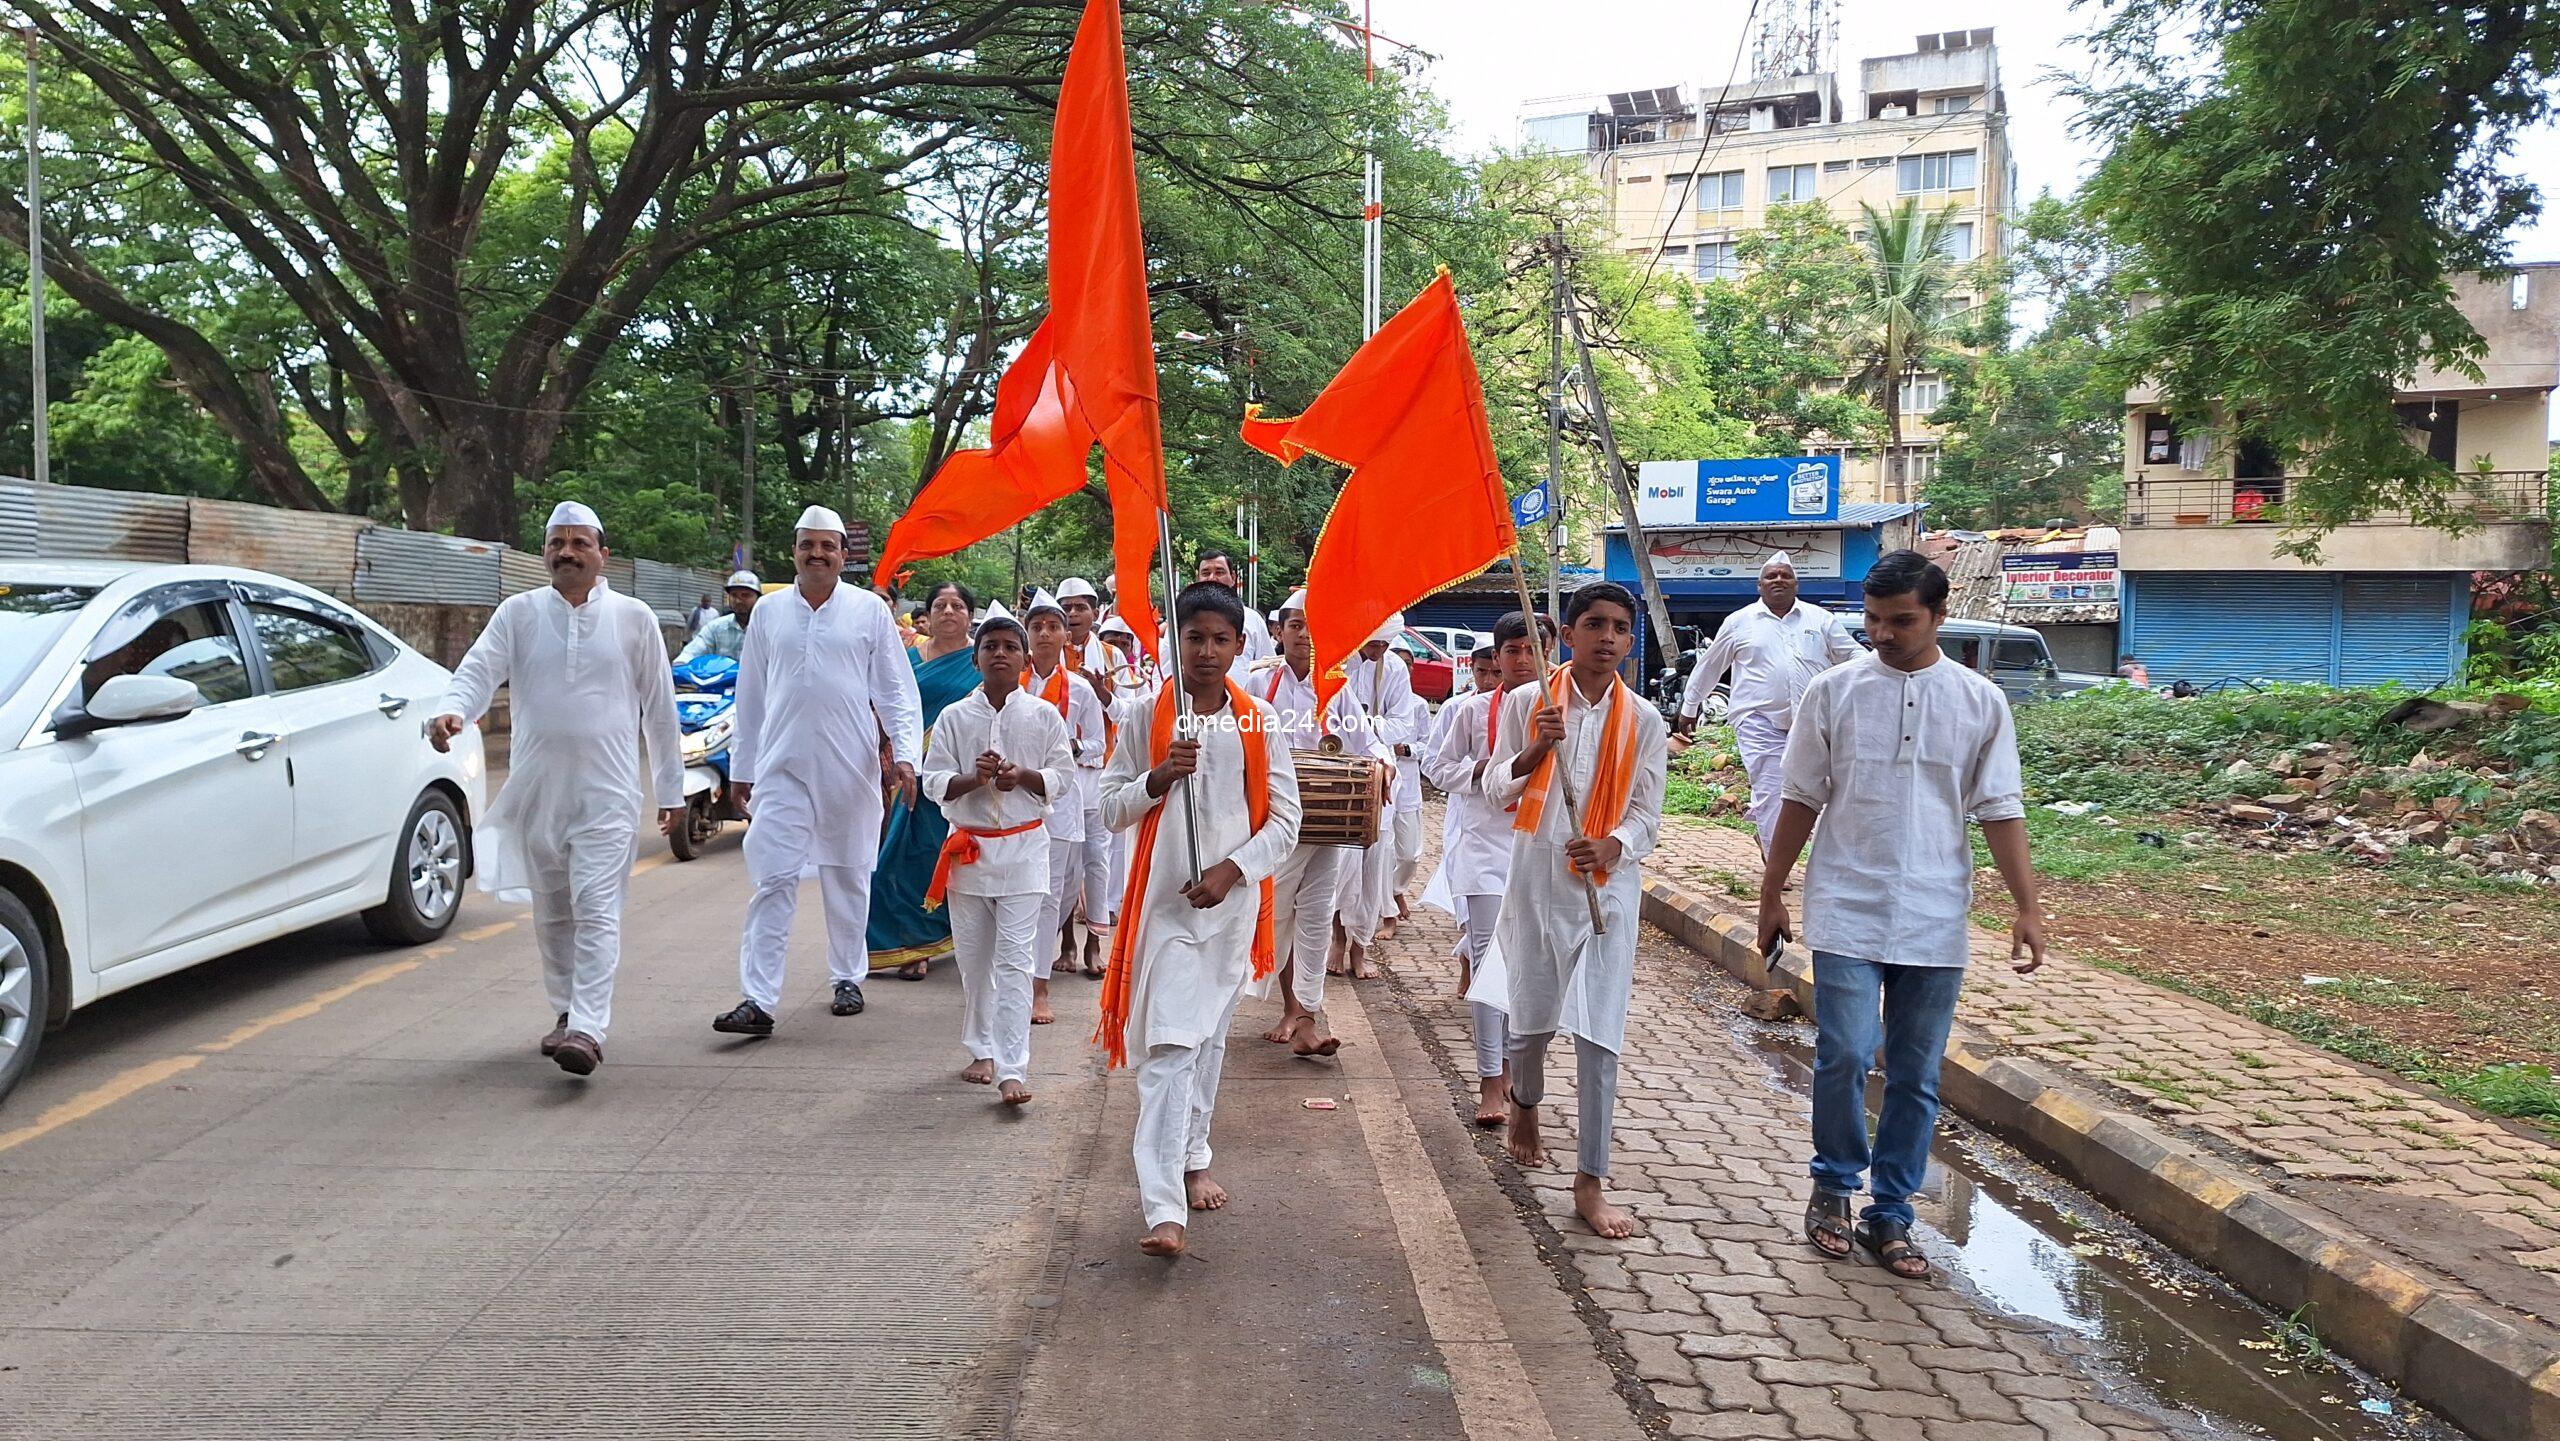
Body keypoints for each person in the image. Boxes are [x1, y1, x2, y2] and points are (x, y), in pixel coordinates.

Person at [1757, 550, 2045, 1281]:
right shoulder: (1834, 691)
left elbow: (2000, 809)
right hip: (1845, 902)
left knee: (1915, 1072)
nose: (1883, 634)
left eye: (1901, 621)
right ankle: (1832, 1188)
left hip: (1935, 911)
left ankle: (1890, 1213)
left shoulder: (1981, 701)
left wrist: (2026, 906)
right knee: (1847, 1051)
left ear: (1939, 616)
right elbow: (1800, 796)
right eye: (1874, 619)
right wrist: (1771, 889)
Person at [430, 502, 682, 1077]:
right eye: (556, 542)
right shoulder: (517, 613)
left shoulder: (633, 617)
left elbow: (661, 712)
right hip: (538, 790)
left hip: (609, 794)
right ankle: (567, 1011)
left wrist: (671, 791)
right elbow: (476, 671)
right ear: (544, 552)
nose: (566, 552)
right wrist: (452, 712)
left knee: (596, 907)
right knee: (553, 913)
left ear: (602, 555)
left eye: (579, 543)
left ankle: (590, 1029)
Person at [1097, 582, 1300, 1258]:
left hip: (1233, 909)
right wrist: (1158, 777)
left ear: (1240, 644)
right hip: (1164, 911)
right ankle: (1164, 1206)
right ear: (1174, 642)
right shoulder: (1142, 715)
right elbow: (1108, 807)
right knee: (1171, 1048)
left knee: (1207, 1041)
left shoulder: (1259, 721)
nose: (1207, 651)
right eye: (1194, 638)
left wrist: (1232, 870)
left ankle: (1194, 1153)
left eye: (1220, 639)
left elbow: (1285, 821)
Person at [1483, 581, 1665, 1240]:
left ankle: (1591, 1180)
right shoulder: (1529, 702)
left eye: (1620, 626)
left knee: (1599, 1032)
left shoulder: (1645, 720)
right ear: (1567, 633)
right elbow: (1493, 783)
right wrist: (1535, 749)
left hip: (1607, 894)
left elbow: (1648, 812)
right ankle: (1525, 1101)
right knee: (1531, 1025)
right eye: (1595, 624)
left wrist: (1614, 843)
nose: (1609, 637)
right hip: (1536, 884)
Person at [712, 506, 923, 1037]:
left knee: (849, 873)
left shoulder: (868, 612)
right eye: (808, 545)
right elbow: (752, 694)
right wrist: (743, 764)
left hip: (848, 764)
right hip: (781, 766)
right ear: (794, 552)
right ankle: (758, 999)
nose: (817, 554)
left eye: (828, 546)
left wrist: (904, 755)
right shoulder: (769, 612)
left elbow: (895, 688)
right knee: (772, 876)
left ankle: (848, 976)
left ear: (843, 556)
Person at [920, 602, 1072, 1107]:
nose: (1000, 654)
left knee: (1014, 961)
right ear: (976, 658)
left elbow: (1062, 777)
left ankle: (1012, 1068)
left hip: (1026, 851)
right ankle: (980, 1048)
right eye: (991, 646)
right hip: (969, 853)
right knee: (973, 960)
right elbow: (933, 781)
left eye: (1010, 647)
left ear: (1024, 658)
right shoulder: (954, 717)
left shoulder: (1044, 715)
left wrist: (1019, 775)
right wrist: (974, 779)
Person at [1426, 614, 1546, 1128]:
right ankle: (1489, 1080)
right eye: (1513, 650)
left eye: (1533, 649)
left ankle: (1519, 1071)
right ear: (1496, 659)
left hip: (1540, 849)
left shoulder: (1560, 711)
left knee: (1528, 969)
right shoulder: (1471, 711)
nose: (1522, 660)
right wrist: (1485, 770)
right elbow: (1436, 764)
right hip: (1483, 847)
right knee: (1485, 960)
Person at [1678, 552, 1861, 855]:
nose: (1778, 580)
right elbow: (1710, 665)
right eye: (1771, 576)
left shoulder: (1821, 620)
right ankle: (1776, 858)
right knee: (1771, 787)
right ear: (1759, 586)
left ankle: (1771, 838)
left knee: (1814, 789)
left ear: (1796, 583)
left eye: (1785, 575)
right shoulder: (1739, 622)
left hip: (1810, 722)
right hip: (1757, 719)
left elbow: (1853, 655)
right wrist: (1690, 705)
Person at [1250, 589, 1368, 1058]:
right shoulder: (1260, 687)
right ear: (1279, 632)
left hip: (1328, 825)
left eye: (1313, 625)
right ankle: (1290, 1008)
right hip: (1277, 822)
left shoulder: (1338, 686)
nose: (1305, 635)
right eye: (1296, 625)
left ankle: (1306, 1015)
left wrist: (1383, 766)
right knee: (1276, 913)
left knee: (1317, 915)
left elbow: (1367, 742)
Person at [869, 580, 981, 979]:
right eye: (940, 605)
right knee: (899, 858)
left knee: (949, 860)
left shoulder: (981, 660)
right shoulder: (908, 657)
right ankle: (907, 945)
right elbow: (887, 703)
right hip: (910, 771)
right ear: (928, 614)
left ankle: (937, 937)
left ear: (970, 614)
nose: (948, 612)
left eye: (957, 605)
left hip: (962, 778)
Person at [1023, 589, 1108, 1021]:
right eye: (1036, 626)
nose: (1044, 633)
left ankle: (1039, 987)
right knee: (1019, 896)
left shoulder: (1078, 690)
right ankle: (1027, 982)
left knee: (1052, 896)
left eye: (1052, 626)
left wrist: (1072, 746)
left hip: (1062, 805)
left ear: (1064, 636)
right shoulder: (1008, 686)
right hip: (1014, 805)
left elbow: (1098, 741)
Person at [1331, 623, 1414, 978]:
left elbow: (1403, 724)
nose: (1378, 648)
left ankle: (1360, 949)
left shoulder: (1394, 668)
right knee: (1338, 870)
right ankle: (1336, 940)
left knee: (1371, 870)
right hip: (1335, 778)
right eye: (1373, 640)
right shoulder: (1337, 663)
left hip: (1376, 774)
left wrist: (1364, 727)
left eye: (1384, 641)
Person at [1055, 576, 1122, 977]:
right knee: (1063, 863)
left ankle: (1094, 943)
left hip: (1100, 773)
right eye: (1068, 607)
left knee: (1097, 862)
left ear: (1095, 613)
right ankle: (1064, 943)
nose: (1074, 614)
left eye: (1081, 607)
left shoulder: (1113, 657)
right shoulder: (1042, 656)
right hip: (1058, 778)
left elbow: (1131, 714)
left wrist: (1104, 696)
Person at [677, 571, 762, 662]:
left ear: (759, 598)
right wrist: (681, 664)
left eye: (745, 595)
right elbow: (692, 651)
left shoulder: (768, 628)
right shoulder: (716, 627)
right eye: (733, 595)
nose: (738, 600)